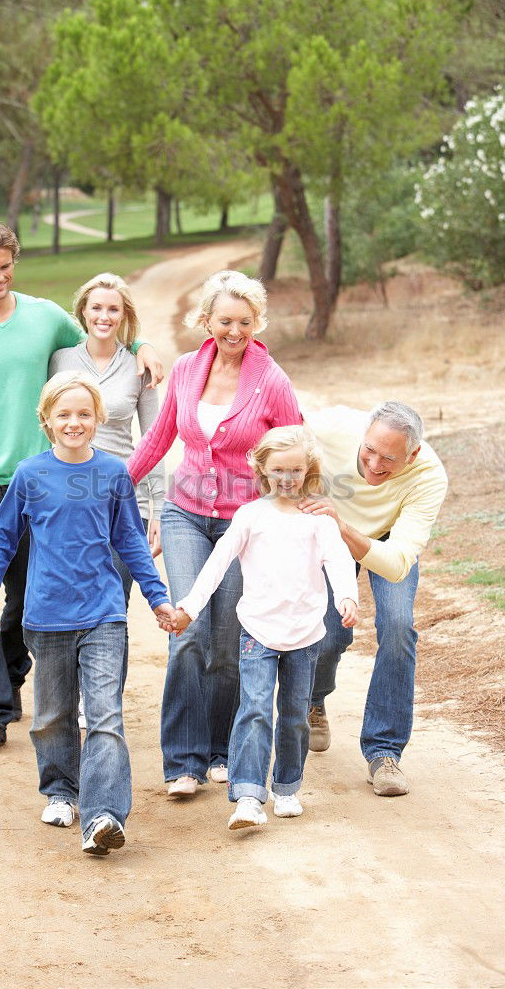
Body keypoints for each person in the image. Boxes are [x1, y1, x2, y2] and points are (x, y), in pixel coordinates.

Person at [0, 220, 163, 753]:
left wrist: (146, 345)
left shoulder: (44, 318)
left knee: (24, 601)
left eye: (5, 267)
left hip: (39, 485)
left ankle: (13, 672)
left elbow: (101, 337)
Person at [0, 374, 176, 855]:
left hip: (104, 612)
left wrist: (156, 596)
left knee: (105, 715)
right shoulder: (30, 474)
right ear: (46, 420)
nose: (74, 422)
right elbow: (3, 537)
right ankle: (61, 792)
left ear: (98, 419)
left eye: (83, 414)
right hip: (46, 616)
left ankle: (103, 815)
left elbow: (129, 539)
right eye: (63, 414)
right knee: (52, 715)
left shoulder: (112, 474)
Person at [128, 270, 303, 796]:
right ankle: (183, 759)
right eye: (225, 320)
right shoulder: (185, 369)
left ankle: (222, 749)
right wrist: (109, 489)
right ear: (206, 320)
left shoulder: (271, 379)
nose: (234, 330)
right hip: (185, 515)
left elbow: (296, 445)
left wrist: (302, 511)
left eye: (244, 322)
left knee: (228, 643)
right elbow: (158, 438)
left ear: (256, 323)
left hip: (243, 523)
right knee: (188, 633)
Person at [166, 426, 358, 829]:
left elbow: (339, 560)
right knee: (253, 709)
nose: (287, 479)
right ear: (262, 470)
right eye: (278, 470)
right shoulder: (250, 515)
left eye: (296, 470)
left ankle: (286, 788)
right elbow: (217, 564)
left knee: (294, 715)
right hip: (257, 630)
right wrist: (189, 607)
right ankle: (249, 795)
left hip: (305, 635)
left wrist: (347, 597)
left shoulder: (317, 518)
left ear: (309, 471)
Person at [300, 401, 448, 797]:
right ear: (363, 432)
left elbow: (399, 563)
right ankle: (314, 699)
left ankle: (384, 751)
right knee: (330, 636)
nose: (374, 464)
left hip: (383, 540)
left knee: (398, 626)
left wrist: (344, 526)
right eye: (369, 450)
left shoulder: (429, 475)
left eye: (389, 458)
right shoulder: (331, 426)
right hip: (330, 533)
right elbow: (278, 407)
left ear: (412, 454)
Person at [48, 272, 165, 701]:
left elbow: (154, 438)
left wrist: (158, 507)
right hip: (67, 496)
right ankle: (69, 694)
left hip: (122, 498)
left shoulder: (139, 365)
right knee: (68, 596)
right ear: (82, 311)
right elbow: (47, 421)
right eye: (96, 307)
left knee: (114, 602)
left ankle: (103, 698)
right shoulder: (60, 360)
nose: (104, 316)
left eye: (113, 308)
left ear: (125, 315)